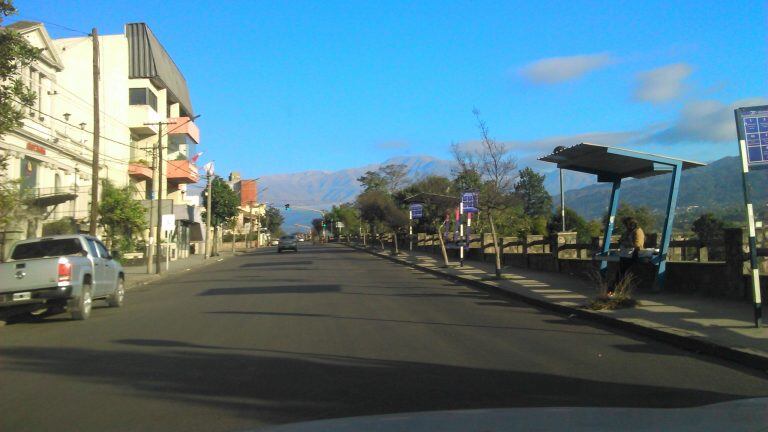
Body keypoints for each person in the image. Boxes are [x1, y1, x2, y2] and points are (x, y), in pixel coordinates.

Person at [610, 217, 644, 295]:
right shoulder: (628, 231)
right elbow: (623, 239)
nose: (626, 226)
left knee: (623, 272)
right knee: (620, 272)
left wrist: (626, 243)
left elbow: (638, 244)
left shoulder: (637, 231)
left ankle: (618, 289)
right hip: (624, 254)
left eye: (627, 224)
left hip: (632, 254)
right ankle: (616, 289)